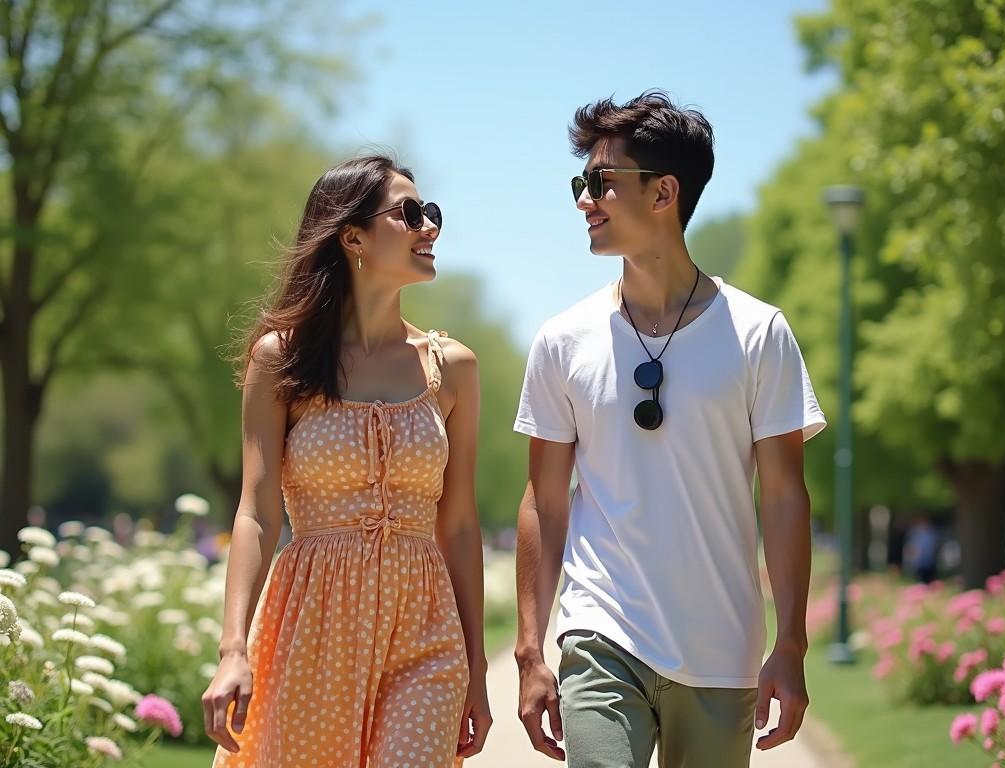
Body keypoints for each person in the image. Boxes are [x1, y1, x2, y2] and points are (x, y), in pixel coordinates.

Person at [513, 91, 826, 768]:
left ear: (664, 193)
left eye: (601, 182)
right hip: (599, 631)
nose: (584, 201)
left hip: (720, 645)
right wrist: (532, 647)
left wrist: (792, 645)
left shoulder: (758, 334)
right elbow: (545, 499)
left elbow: (782, 498)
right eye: (581, 183)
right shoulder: (561, 341)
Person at [202, 155, 491, 767]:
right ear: (352, 236)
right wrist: (233, 648)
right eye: (409, 214)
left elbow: (460, 525)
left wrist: (477, 667)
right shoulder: (280, 359)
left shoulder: (454, 368)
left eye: (431, 213)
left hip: (425, 632)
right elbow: (256, 512)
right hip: (312, 625)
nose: (429, 227)